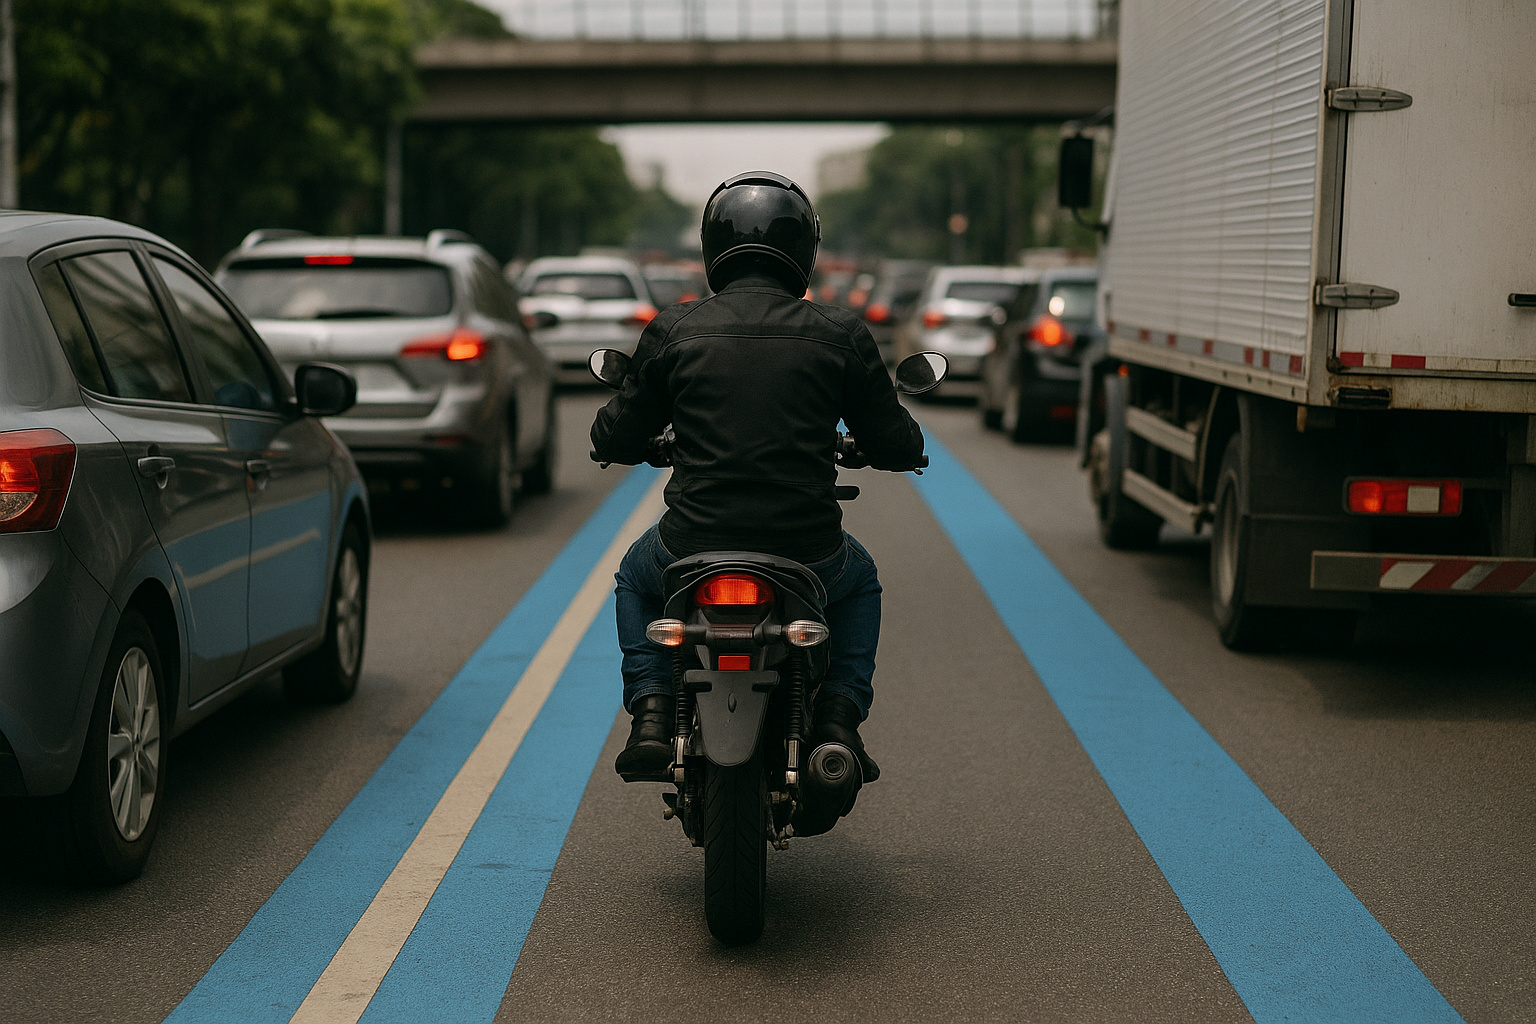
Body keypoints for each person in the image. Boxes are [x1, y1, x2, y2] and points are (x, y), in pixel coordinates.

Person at [591, 170, 925, 783]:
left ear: (713, 247)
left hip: (689, 544)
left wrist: (634, 442)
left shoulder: (676, 329)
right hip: (809, 548)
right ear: (803, 251)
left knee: (635, 580)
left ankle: (652, 713)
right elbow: (897, 440)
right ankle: (837, 719)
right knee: (862, 581)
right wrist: (890, 453)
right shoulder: (839, 332)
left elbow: (612, 433)